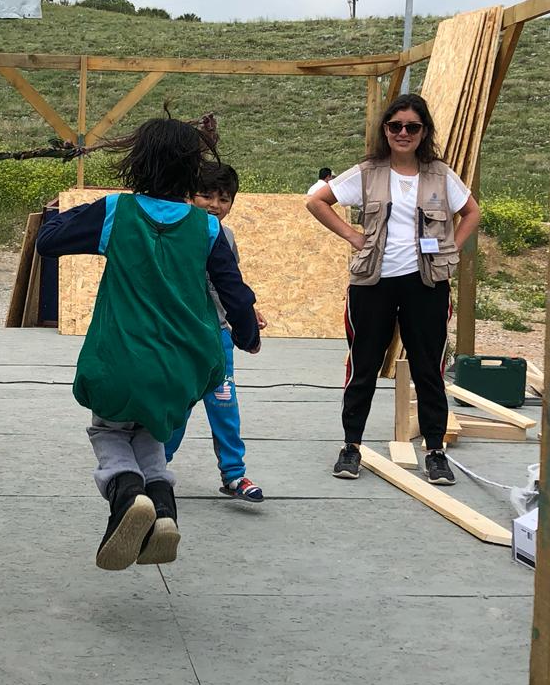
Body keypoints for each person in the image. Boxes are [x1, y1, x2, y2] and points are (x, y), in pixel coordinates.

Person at [36, 116, 260, 569]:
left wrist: (83, 210)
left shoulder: (117, 211)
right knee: (150, 436)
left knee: (110, 430)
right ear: (192, 171)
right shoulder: (208, 229)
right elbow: (236, 294)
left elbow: (48, 241)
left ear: (137, 162)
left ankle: (126, 495)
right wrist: (248, 336)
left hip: (121, 358)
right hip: (183, 367)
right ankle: (163, 514)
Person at [306, 92, 480, 486]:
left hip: (426, 284)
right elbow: (317, 202)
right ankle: (351, 446)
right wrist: (354, 237)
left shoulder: (440, 175)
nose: (403, 133)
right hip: (373, 283)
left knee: (428, 369)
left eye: (412, 127)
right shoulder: (367, 172)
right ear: (385, 130)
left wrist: (452, 248)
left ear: (424, 132)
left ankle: (435, 451)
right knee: (363, 365)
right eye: (395, 126)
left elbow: (472, 212)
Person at [165, 162, 266, 503]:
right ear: (188, 196)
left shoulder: (228, 236)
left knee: (225, 404)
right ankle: (155, 468)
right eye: (206, 196)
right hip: (181, 337)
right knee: (177, 406)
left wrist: (247, 313)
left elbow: (230, 285)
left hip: (218, 336)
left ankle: (234, 474)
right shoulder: (176, 233)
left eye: (224, 199)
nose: (214, 205)